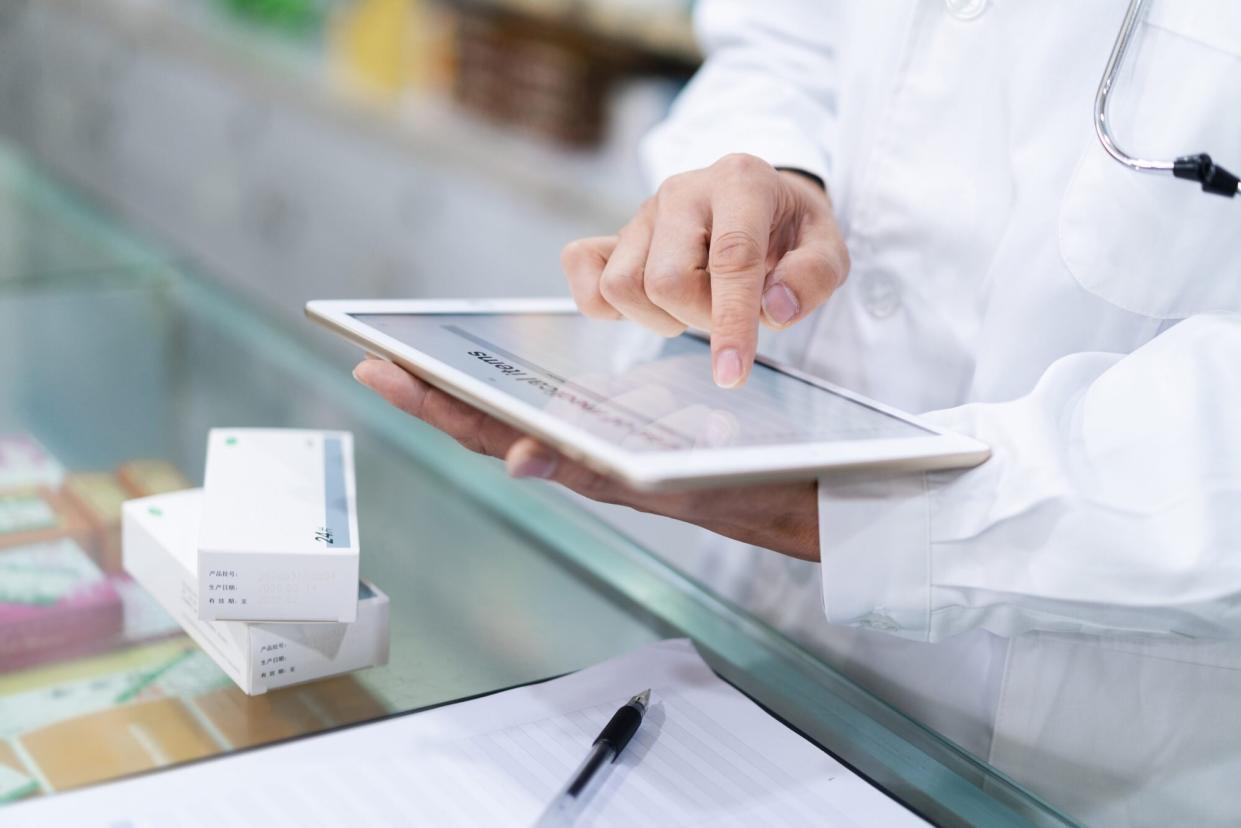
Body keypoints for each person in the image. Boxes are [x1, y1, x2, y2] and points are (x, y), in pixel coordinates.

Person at [353, 1, 1241, 824]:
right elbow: (778, 37)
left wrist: (870, 502)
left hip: (1089, 759)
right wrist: (775, 173)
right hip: (765, 648)